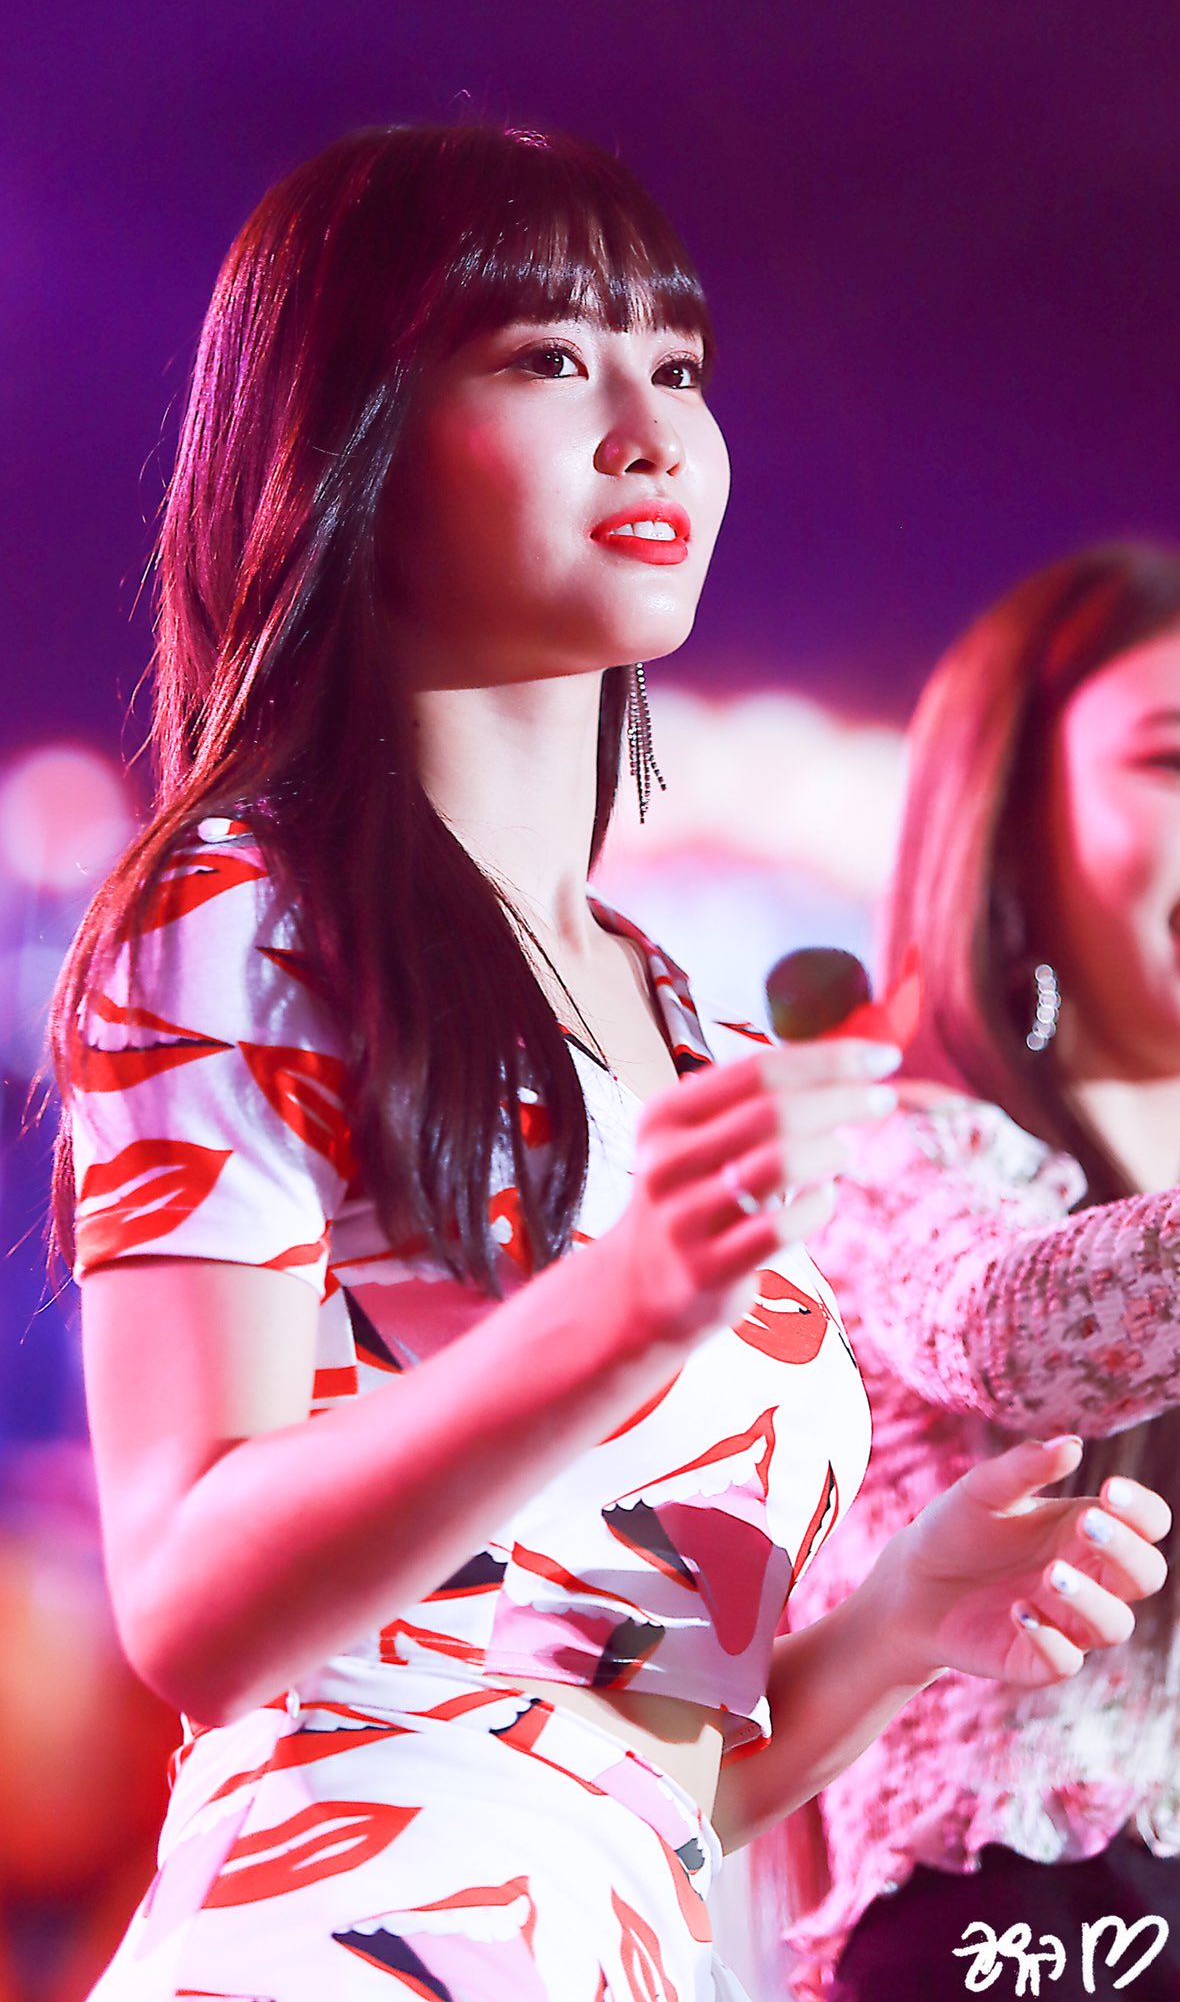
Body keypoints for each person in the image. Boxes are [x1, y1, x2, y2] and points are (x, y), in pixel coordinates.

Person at [51, 130, 1167, 2002]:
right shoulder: (245, 909)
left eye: (680, 363)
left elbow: (641, 1779)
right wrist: (624, 1305)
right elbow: (189, 1603)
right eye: (551, 358)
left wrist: (902, 1621)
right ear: (354, 438)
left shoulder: (681, 1022)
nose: (652, 430)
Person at [772, 544, 1180, 2001]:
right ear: (1009, 816)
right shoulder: (889, 1130)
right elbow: (1003, 1333)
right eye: (1172, 760)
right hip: (1026, 1929)